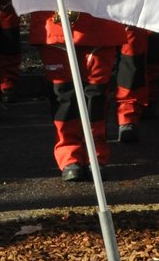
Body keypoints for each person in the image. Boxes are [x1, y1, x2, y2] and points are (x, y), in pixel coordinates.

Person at [30, 10, 120, 181]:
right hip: (54, 24)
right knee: (64, 96)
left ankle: (95, 156)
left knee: (96, 95)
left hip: (99, 23)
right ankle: (70, 157)